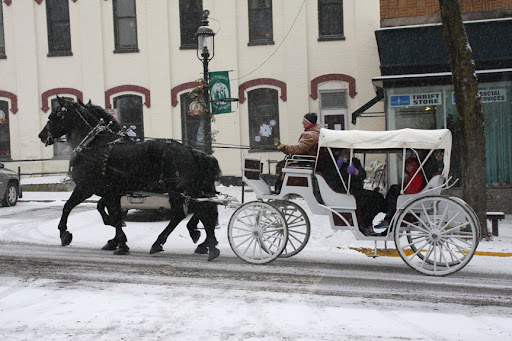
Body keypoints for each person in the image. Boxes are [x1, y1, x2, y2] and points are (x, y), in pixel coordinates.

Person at [323, 148, 384, 236]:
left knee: (378, 197)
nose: (347, 154)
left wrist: (356, 172)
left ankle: (367, 222)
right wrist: (338, 167)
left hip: (357, 189)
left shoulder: (355, 161)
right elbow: (330, 177)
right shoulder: (333, 162)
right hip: (343, 191)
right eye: (345, 151)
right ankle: (365, 223)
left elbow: (363, 175)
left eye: (349, 152)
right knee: (371, 199)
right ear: (339, 152)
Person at [375, 157, 426, 231]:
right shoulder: (413, 176)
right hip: (410, 196)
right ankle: (387, 209)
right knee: (394, 188)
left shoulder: (418, 176)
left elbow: (414, 189)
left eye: (410, 166)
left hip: (411, 198)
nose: (408, 168)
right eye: (407, 166)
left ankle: (387, 215)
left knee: (394, 189)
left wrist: (404, 191)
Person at [274, 112, 321, 192]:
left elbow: (300, 148)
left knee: (282, 165)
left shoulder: (311, 135)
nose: (302, 123)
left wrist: (285, 147)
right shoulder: (314, 132)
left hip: (307, 161)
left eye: (304, 121)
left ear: (309, 122)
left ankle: (280, 189)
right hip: (308, 159)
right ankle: (280, 188)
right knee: (283, 163)